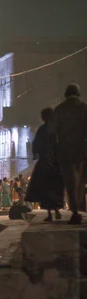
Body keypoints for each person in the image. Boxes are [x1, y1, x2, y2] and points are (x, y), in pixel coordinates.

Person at [49, 84, 87, 224]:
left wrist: (53, 150)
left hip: (65, 151)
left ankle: (75, 210)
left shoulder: (60, 109)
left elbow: (52, 132)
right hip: (81, 151)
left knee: (70, 181)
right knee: (79, 181)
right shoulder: (84, 108)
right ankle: (79, 207)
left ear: (66, 94)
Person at [25, 107, 65, 221]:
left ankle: (51, 214)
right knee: (54, 188)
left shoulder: (44, 129)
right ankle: (55, 211)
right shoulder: (56, 128)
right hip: (54, 162)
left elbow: (36, 143)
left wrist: (36, 153)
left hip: (45, 163)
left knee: (45, 189)